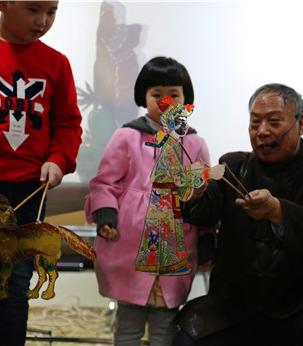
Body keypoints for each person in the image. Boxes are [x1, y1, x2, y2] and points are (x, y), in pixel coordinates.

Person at [173, 83, 303, 345]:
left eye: (274, 121)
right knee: (184, 341)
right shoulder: (233, 167)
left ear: (300, 124)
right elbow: (204, 211)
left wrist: (277, 211)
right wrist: (195, 193)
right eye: (255, 123)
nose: (262, 132)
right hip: (234, 306)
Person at [0, 1, 82, 345]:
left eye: (52, 12)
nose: (43, 21)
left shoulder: (56, 63)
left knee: (13, 291)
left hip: (28, 192)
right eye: (33, 10)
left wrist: (59, 159)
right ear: (2, 3)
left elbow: (67, 123)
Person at [85, 56, 220, 346]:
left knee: (165, 326)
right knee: (129, 324)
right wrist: (106, 213)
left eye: (174, 94)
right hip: (129, 245)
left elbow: (205, 197)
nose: (165, 102)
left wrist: (208, 238)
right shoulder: (126, 137)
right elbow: (105, 182)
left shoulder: (195, 144)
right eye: (156, 95)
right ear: (143, 97)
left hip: (176, 246)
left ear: (186, 99)